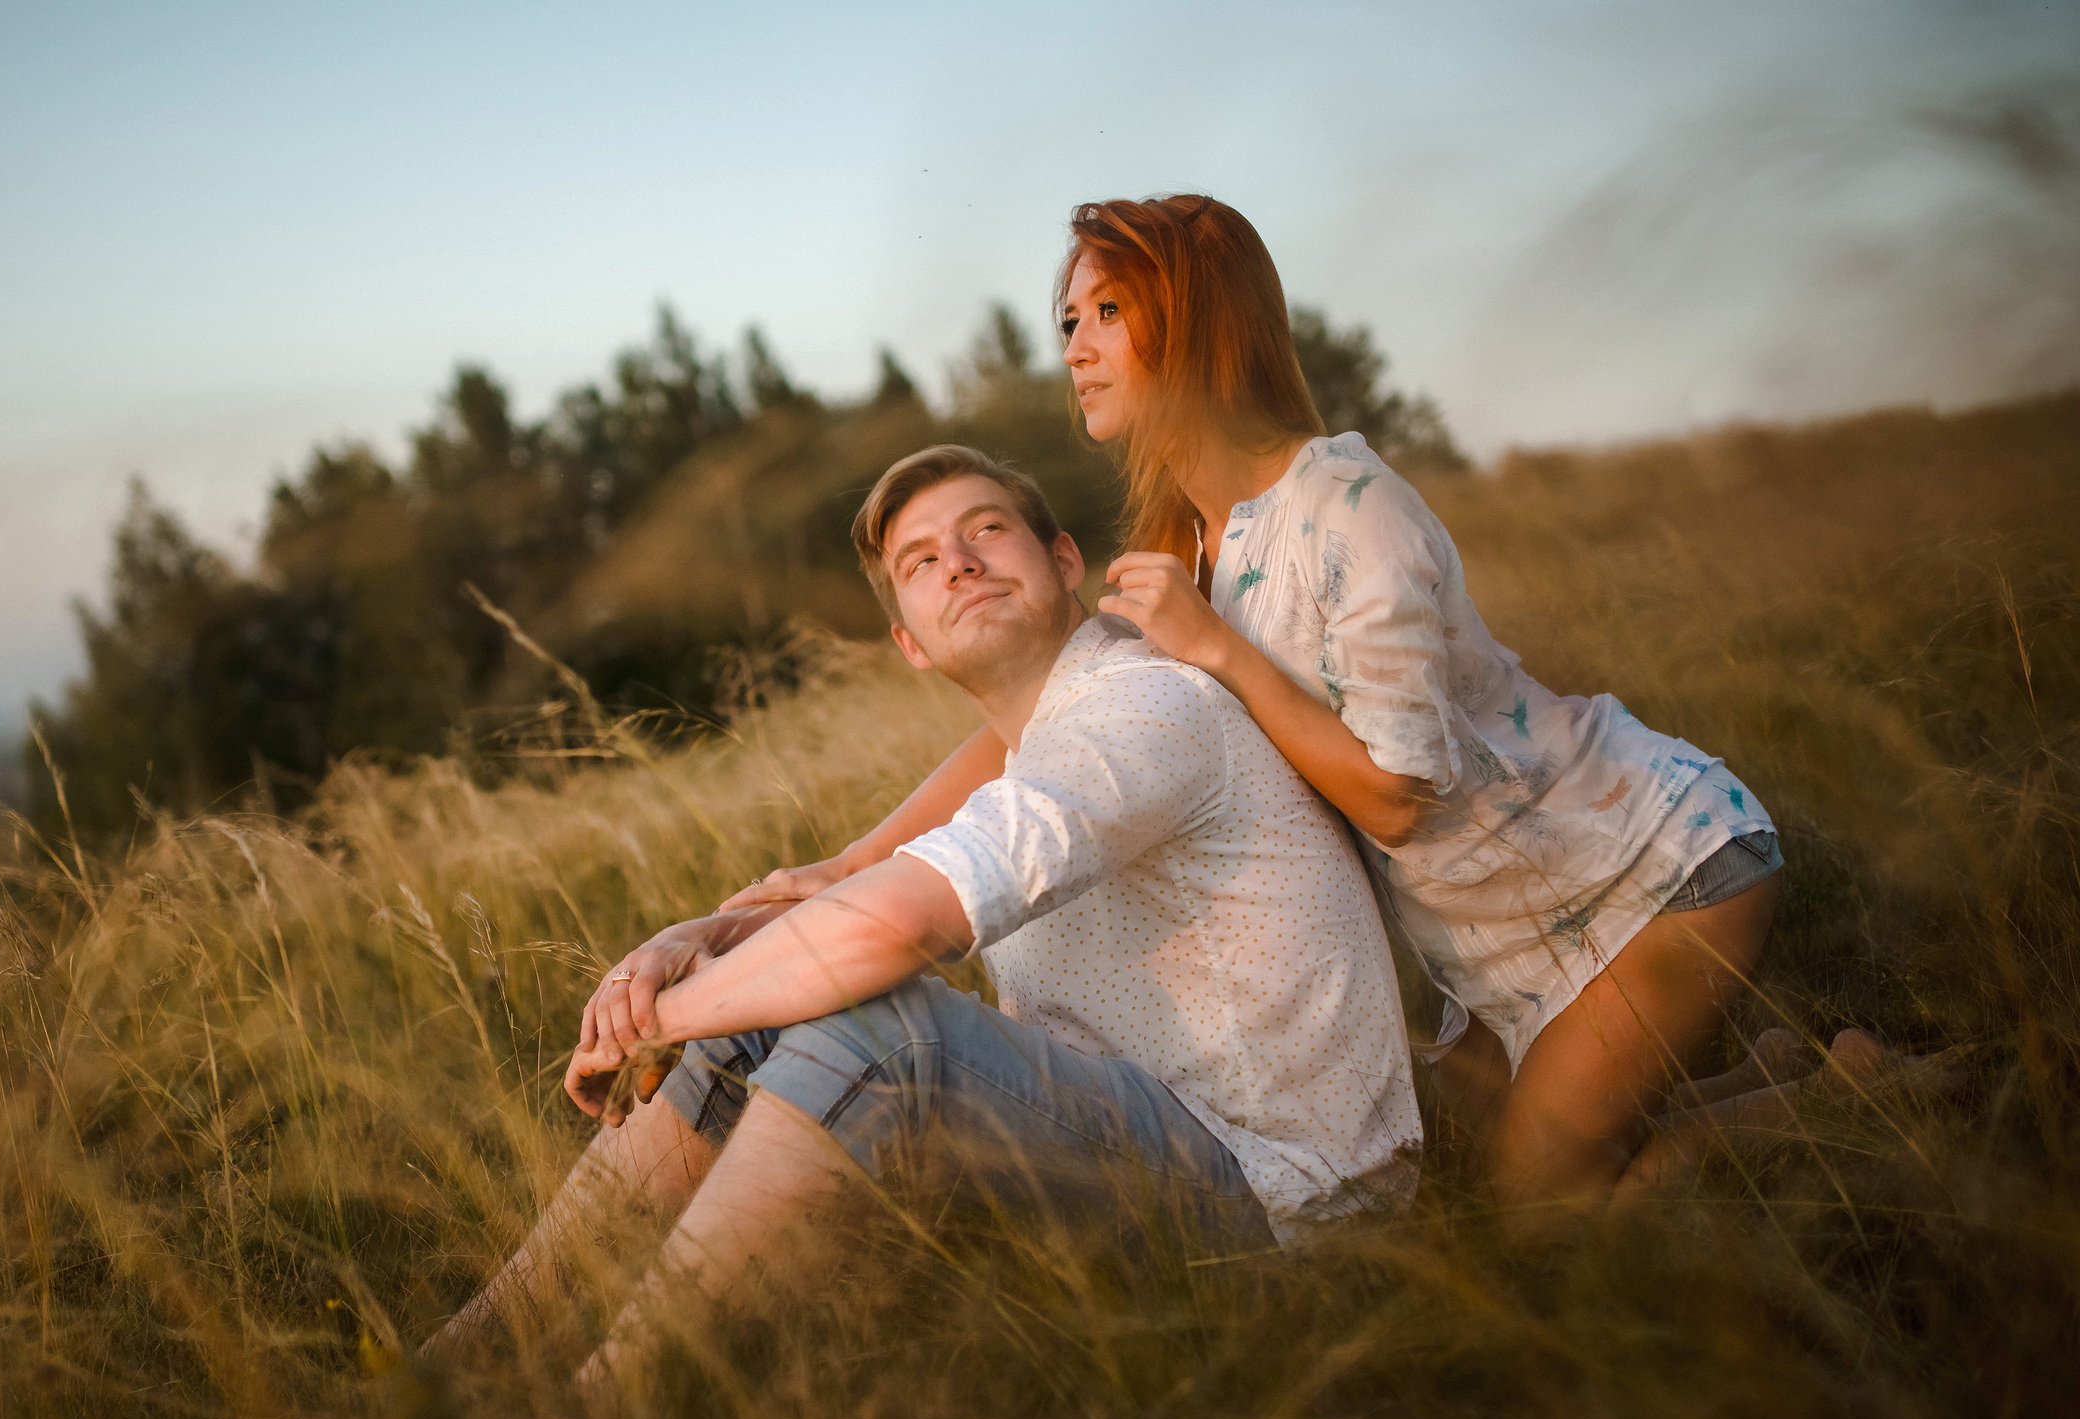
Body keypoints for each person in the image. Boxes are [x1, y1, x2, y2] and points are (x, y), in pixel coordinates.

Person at [725, 195, 1794, 1207]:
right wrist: (845, 866)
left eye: (1109, 313)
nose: (1075, 348)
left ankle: (1859, 1105)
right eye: (1068, 321)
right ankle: (1789, 1070)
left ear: (1200, 324)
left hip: (1640, 867)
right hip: (1491, 935)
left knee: (1536, 1211)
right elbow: (1049, 723)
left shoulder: (1351, 509)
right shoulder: (1182, 538)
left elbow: (1395, 801)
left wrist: (1219, 652)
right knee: (1466, 1167)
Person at [425, 445, 1421, 1384]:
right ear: (907, 641)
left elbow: (893, 927)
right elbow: (843, 897)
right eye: (921, 559)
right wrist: (681, 945)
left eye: (986, 529)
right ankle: (461, 1369)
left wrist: (663, 1017)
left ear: (1062, 559)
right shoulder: (1033, 742)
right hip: (1140, 1141)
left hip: (1281, 1205)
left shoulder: (1142, 712)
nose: (958, 562)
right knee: (778, 998)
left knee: (881, 1027)